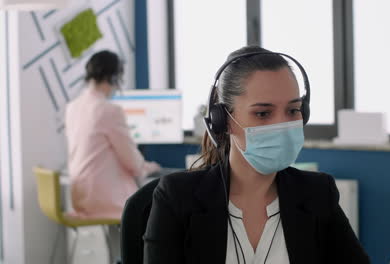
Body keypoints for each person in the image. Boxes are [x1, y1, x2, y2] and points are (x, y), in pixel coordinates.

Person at [143, 46, 370, 263]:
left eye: (293, 110)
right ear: (223, 121)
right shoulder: (177, 197)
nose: (282, 124)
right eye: (263, 113)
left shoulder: (318, 193)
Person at [65, 50, 161, 220]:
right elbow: (133, 163)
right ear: (114, 78)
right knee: (158, 209)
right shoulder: (108, 110)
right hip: (104, 200)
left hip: (80, 197)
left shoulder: (73, 107)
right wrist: (150, 167)